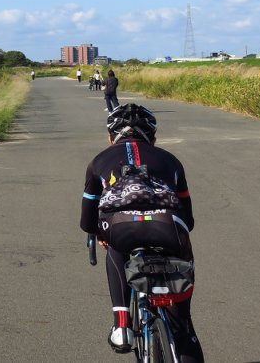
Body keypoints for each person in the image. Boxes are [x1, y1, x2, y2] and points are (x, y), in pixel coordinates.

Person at [80, 104, 203, 361]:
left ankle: (122, 325)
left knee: (116, 246)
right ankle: (181, 327)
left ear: (110, 137)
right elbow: (188, 219)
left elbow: (86, 220)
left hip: (121, 228)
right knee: (183, 329)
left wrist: (100, 235)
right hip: (170, 229)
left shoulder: (98, 161)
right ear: (153, 138)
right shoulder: (171, 160)